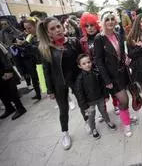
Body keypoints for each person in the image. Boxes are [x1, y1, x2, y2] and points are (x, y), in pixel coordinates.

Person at [37, 17, 84, 150]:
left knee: (82, 102)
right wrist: (49, 90)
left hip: (76, 79)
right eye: (52, 29)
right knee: (63, 110)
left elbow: (82, 59)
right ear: (48, 33)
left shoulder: (73, 42)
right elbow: (46, 71)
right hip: (59, 83)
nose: (57, 30)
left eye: (58, 26)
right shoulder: (46, 48)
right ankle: (65, 133)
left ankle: (87, 122)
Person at [94, 12, 134, 137]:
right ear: (102, 22)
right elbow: (99, 61)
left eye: (112, 19)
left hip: (123, 73)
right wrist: (107, 80)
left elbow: (120, 53)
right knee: (124, 100)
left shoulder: (117, 35)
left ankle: (126, 116)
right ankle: (126, 124)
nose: (110, 22)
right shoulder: (99, 38)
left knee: (126, 98)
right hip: (112, 76)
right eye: (107, 20)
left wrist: (125, 58)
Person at [75, 54, 116, 139]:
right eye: (84, 63)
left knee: (104, 111)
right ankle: (93, 129)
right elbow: (79, 94)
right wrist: (84, 106)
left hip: (100, 98)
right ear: (79, 66)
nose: (87, 65)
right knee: (91, 116)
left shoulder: (97, 73)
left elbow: (103, 85)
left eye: (88, 62)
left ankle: (108, 121)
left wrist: (106, 95)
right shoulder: (79, 79)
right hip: (89, 102)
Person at [0, 41, 27, 120]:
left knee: (11, 90)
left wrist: (8, 70)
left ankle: (20, 108)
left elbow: (4, 57)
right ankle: (9, 108)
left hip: (5, 70)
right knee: (1, 91)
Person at [20, 17, 42, 100]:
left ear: (35, 26)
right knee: (37, 79)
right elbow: (29, 49)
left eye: (29, 28)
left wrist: (26, 44)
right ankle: (39, 94)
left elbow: (39, 49)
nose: (28, 30)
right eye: (26, 28)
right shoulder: (29, 36)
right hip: (34, 61)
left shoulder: (41, 35)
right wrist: (22, 46)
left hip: (43, 61)